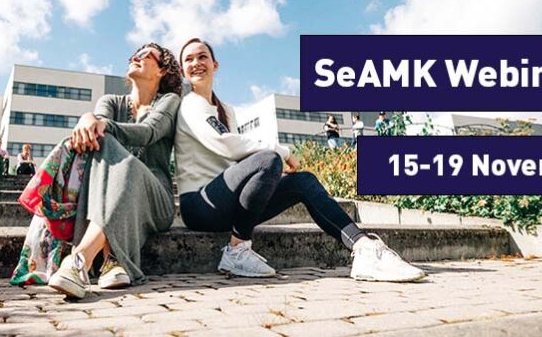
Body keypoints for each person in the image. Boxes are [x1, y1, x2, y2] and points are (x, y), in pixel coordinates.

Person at [176, 38, 425, 282]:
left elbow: (235, 161)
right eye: (189, 59)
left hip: (227, 199)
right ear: (182, 70)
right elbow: (227, 145)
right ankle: (236, 251)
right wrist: (282, 153)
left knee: (303, 181)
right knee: (268, 160)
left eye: (202, 57)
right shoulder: (190, 104)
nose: (196, 63)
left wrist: (268, 180)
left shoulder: (226, 109)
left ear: (215, 65)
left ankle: (363, 248)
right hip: (200, 205)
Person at [46, 42, 183, 299]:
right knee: (103, 139)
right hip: (105, 192)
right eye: (133, 54)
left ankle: (79, 261)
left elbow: (149, 132)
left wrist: (98, 122)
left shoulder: (169, 101)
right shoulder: (109, 101)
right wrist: (88, 117)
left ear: (162, 70)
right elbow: (95, 131)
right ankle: (111, 261)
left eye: (145, 54)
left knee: (118, 151)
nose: (135, 57)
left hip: (156, 199)